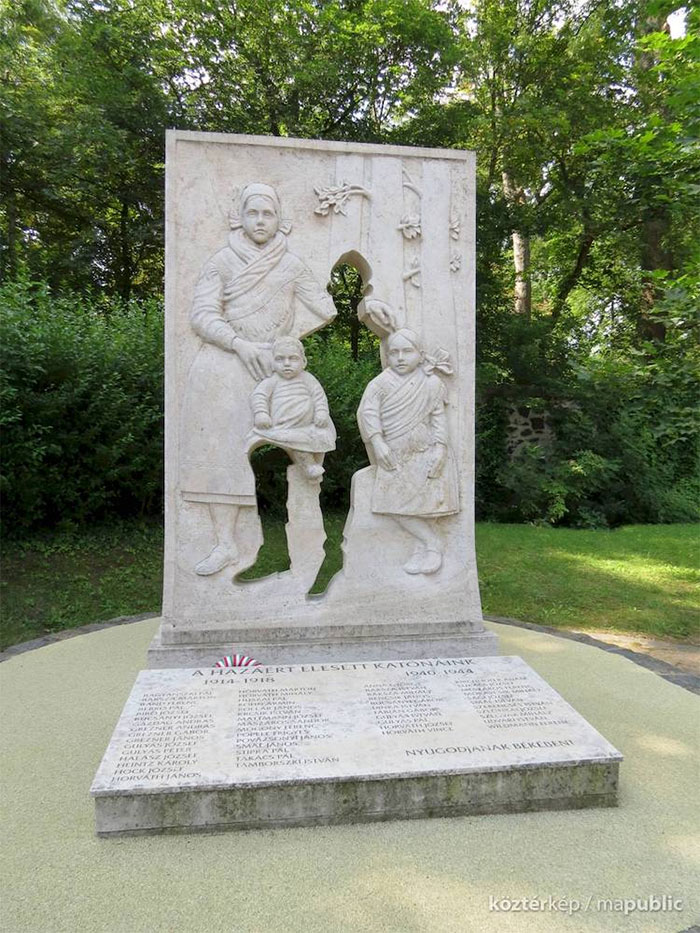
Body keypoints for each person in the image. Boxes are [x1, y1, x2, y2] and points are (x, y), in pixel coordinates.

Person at [180, 183, 336, 575]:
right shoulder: (221, 261)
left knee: (301, 427)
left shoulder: (292, 264)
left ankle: (307, 521)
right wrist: (238, 343)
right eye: (254, 213)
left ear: (280, 220)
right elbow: (201, 315)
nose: (261, 221)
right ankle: (226, 544)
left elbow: (324, 308)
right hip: (223, 366)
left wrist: (281, 344)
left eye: (268, 214)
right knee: (221, 454)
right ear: (241, 217)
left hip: (274, 366)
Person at [357, 328, 458, 575]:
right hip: (393, 455)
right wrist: (377, 442)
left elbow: (438, 418)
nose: (400, 357)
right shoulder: (379, 384)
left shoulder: (432, 383)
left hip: (424, 453)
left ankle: (423, 549)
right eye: (394, 352)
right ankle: (431, 542)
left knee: (427, 504)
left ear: (420, 354)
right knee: (392, 504)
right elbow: (367, 413)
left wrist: (441, 449)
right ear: (387, 356)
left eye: (407, 351)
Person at [247, 337, 336, 480]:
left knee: (320, 439)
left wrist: (321, 412)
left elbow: (319, 397)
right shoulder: (272, 381)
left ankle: (316, 465)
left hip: (309, 425)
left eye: (293, 358)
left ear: (303, 362)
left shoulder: (308, 379)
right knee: (298, 445)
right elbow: (258, 397)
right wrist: (261, 413)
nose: (286, 364)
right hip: (284, 426)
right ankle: (308, 466)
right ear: (272, 363)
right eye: (280, 359)